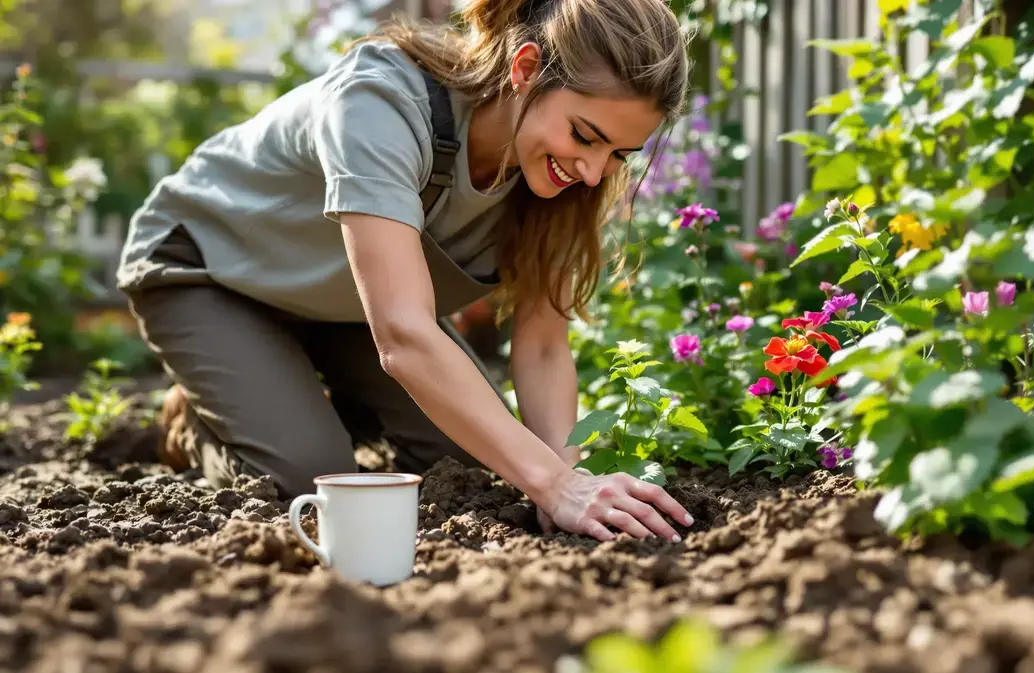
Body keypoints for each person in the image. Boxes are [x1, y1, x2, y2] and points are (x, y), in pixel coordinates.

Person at [114, 0, 696, 543]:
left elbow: (542, 345)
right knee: (314, 480)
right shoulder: (381, 102)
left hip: (343, 303)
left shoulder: (561, 183)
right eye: (585, 136)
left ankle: (280, 390)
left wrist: (564, 480)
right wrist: (554, 483)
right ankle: (199, 419)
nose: (595, 173)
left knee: (473, 462)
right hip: (209, 270)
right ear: (525, 68)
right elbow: (404, 336)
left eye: (619, 154)